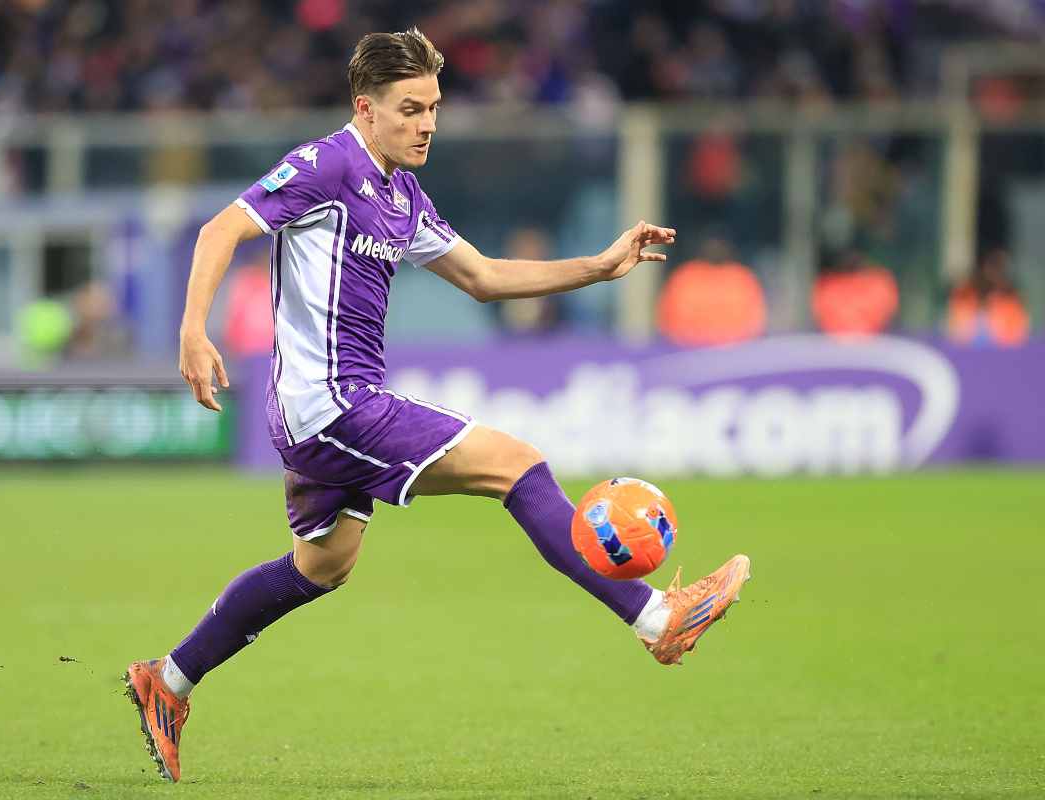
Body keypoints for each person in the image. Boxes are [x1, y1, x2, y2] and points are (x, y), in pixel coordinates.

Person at [124, 28, 751, 783]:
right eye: (411, 108)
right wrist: (192, 331)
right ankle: (657, 619)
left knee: (322, 565)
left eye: (435, 108)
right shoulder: (326, 165)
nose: (427, 124)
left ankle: (169, 679)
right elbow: (221, 227)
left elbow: (482, 276)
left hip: (334, 409)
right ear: (367, 107)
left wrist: (599, 266)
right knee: (518, 469)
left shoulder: (400, 192)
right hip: (332, 406)